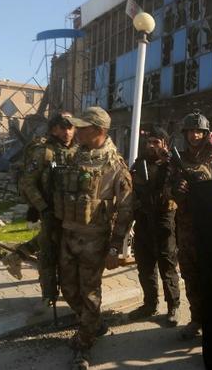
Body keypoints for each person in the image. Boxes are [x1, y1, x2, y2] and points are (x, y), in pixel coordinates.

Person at [53, 106, 133, 369]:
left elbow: (125, 210)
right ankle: (94, 325)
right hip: (69, 235)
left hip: (94, 240)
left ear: (98, 131)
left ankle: (84, 346)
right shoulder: (76, 157)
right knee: (68, 288)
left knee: (89, 294)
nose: (76, 130)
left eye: (83, 127)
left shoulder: (115, 165)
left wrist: (114, 249)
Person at [4, 113, 77, 300]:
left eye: (70, 127)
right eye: (62, 127)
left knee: (66, 249)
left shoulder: (78, 151)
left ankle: (16, 256)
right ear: (53, 129)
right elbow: (28, 183)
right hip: (50, 210)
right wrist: (43, 208)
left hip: (73, 212)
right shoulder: (45, 152)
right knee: (48, 254)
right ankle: (49, 295)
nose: (67, 132)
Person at [171, 111, 212, 340]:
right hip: (186, 225)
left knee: (211, 273)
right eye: (191, 131)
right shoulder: (177, 158)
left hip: (211, 225)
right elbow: (166, 188)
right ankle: (197, 319)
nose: (195, 135)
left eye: (199, 131)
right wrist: (176, 188)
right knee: (190, 273)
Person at [129, 126, 181, 326]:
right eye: (149, 142)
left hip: (164, 219)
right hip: (143, 220)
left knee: (167, 265)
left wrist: (169, 161)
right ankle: (150, 304)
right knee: (145, 265)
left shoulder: (172, 164)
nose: (151, 146)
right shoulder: (139, 163)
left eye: (156, 142)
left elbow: (181, 181)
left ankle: (173, 306)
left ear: (164, 144)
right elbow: (130, 190)